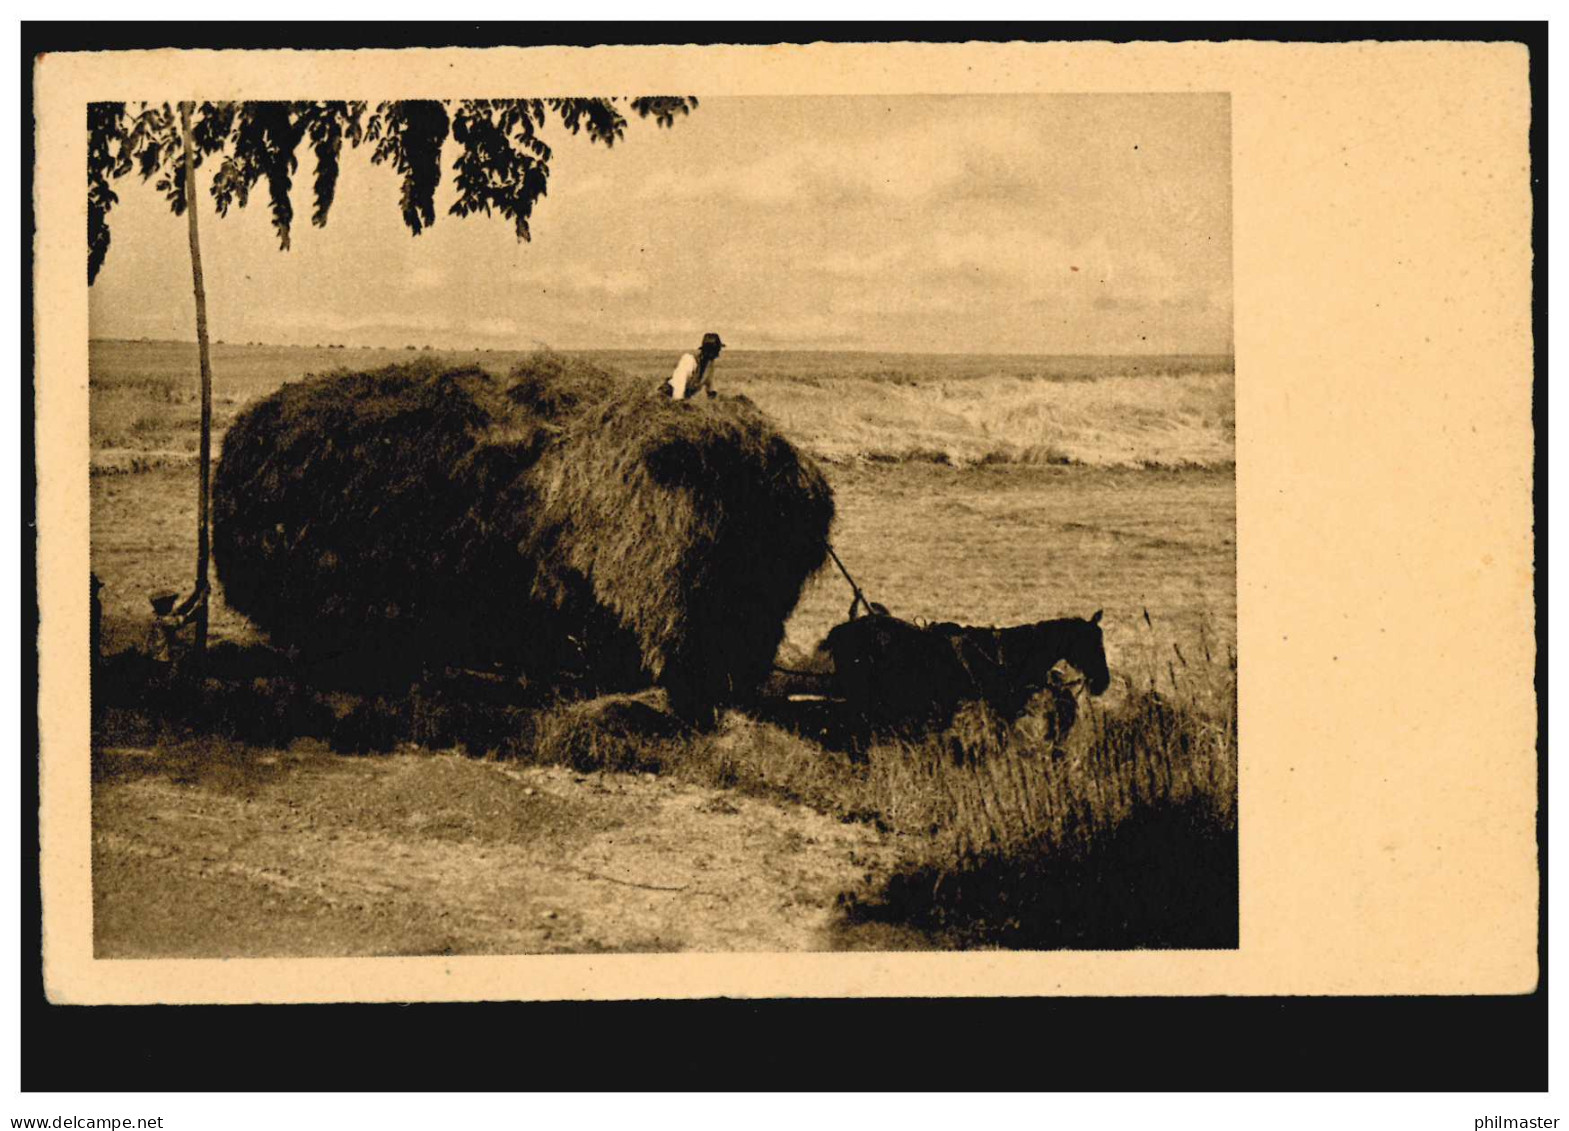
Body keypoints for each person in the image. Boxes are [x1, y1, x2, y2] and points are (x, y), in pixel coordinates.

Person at [664, 332, 725, 400]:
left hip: (684, 397)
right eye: (717, 350)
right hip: (667, 396)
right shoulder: (689, 360)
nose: (718, 354)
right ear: (710, 351)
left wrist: (714, 399)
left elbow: (709, 384)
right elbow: (679, 384)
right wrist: (679, 403)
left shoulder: (709, 365)